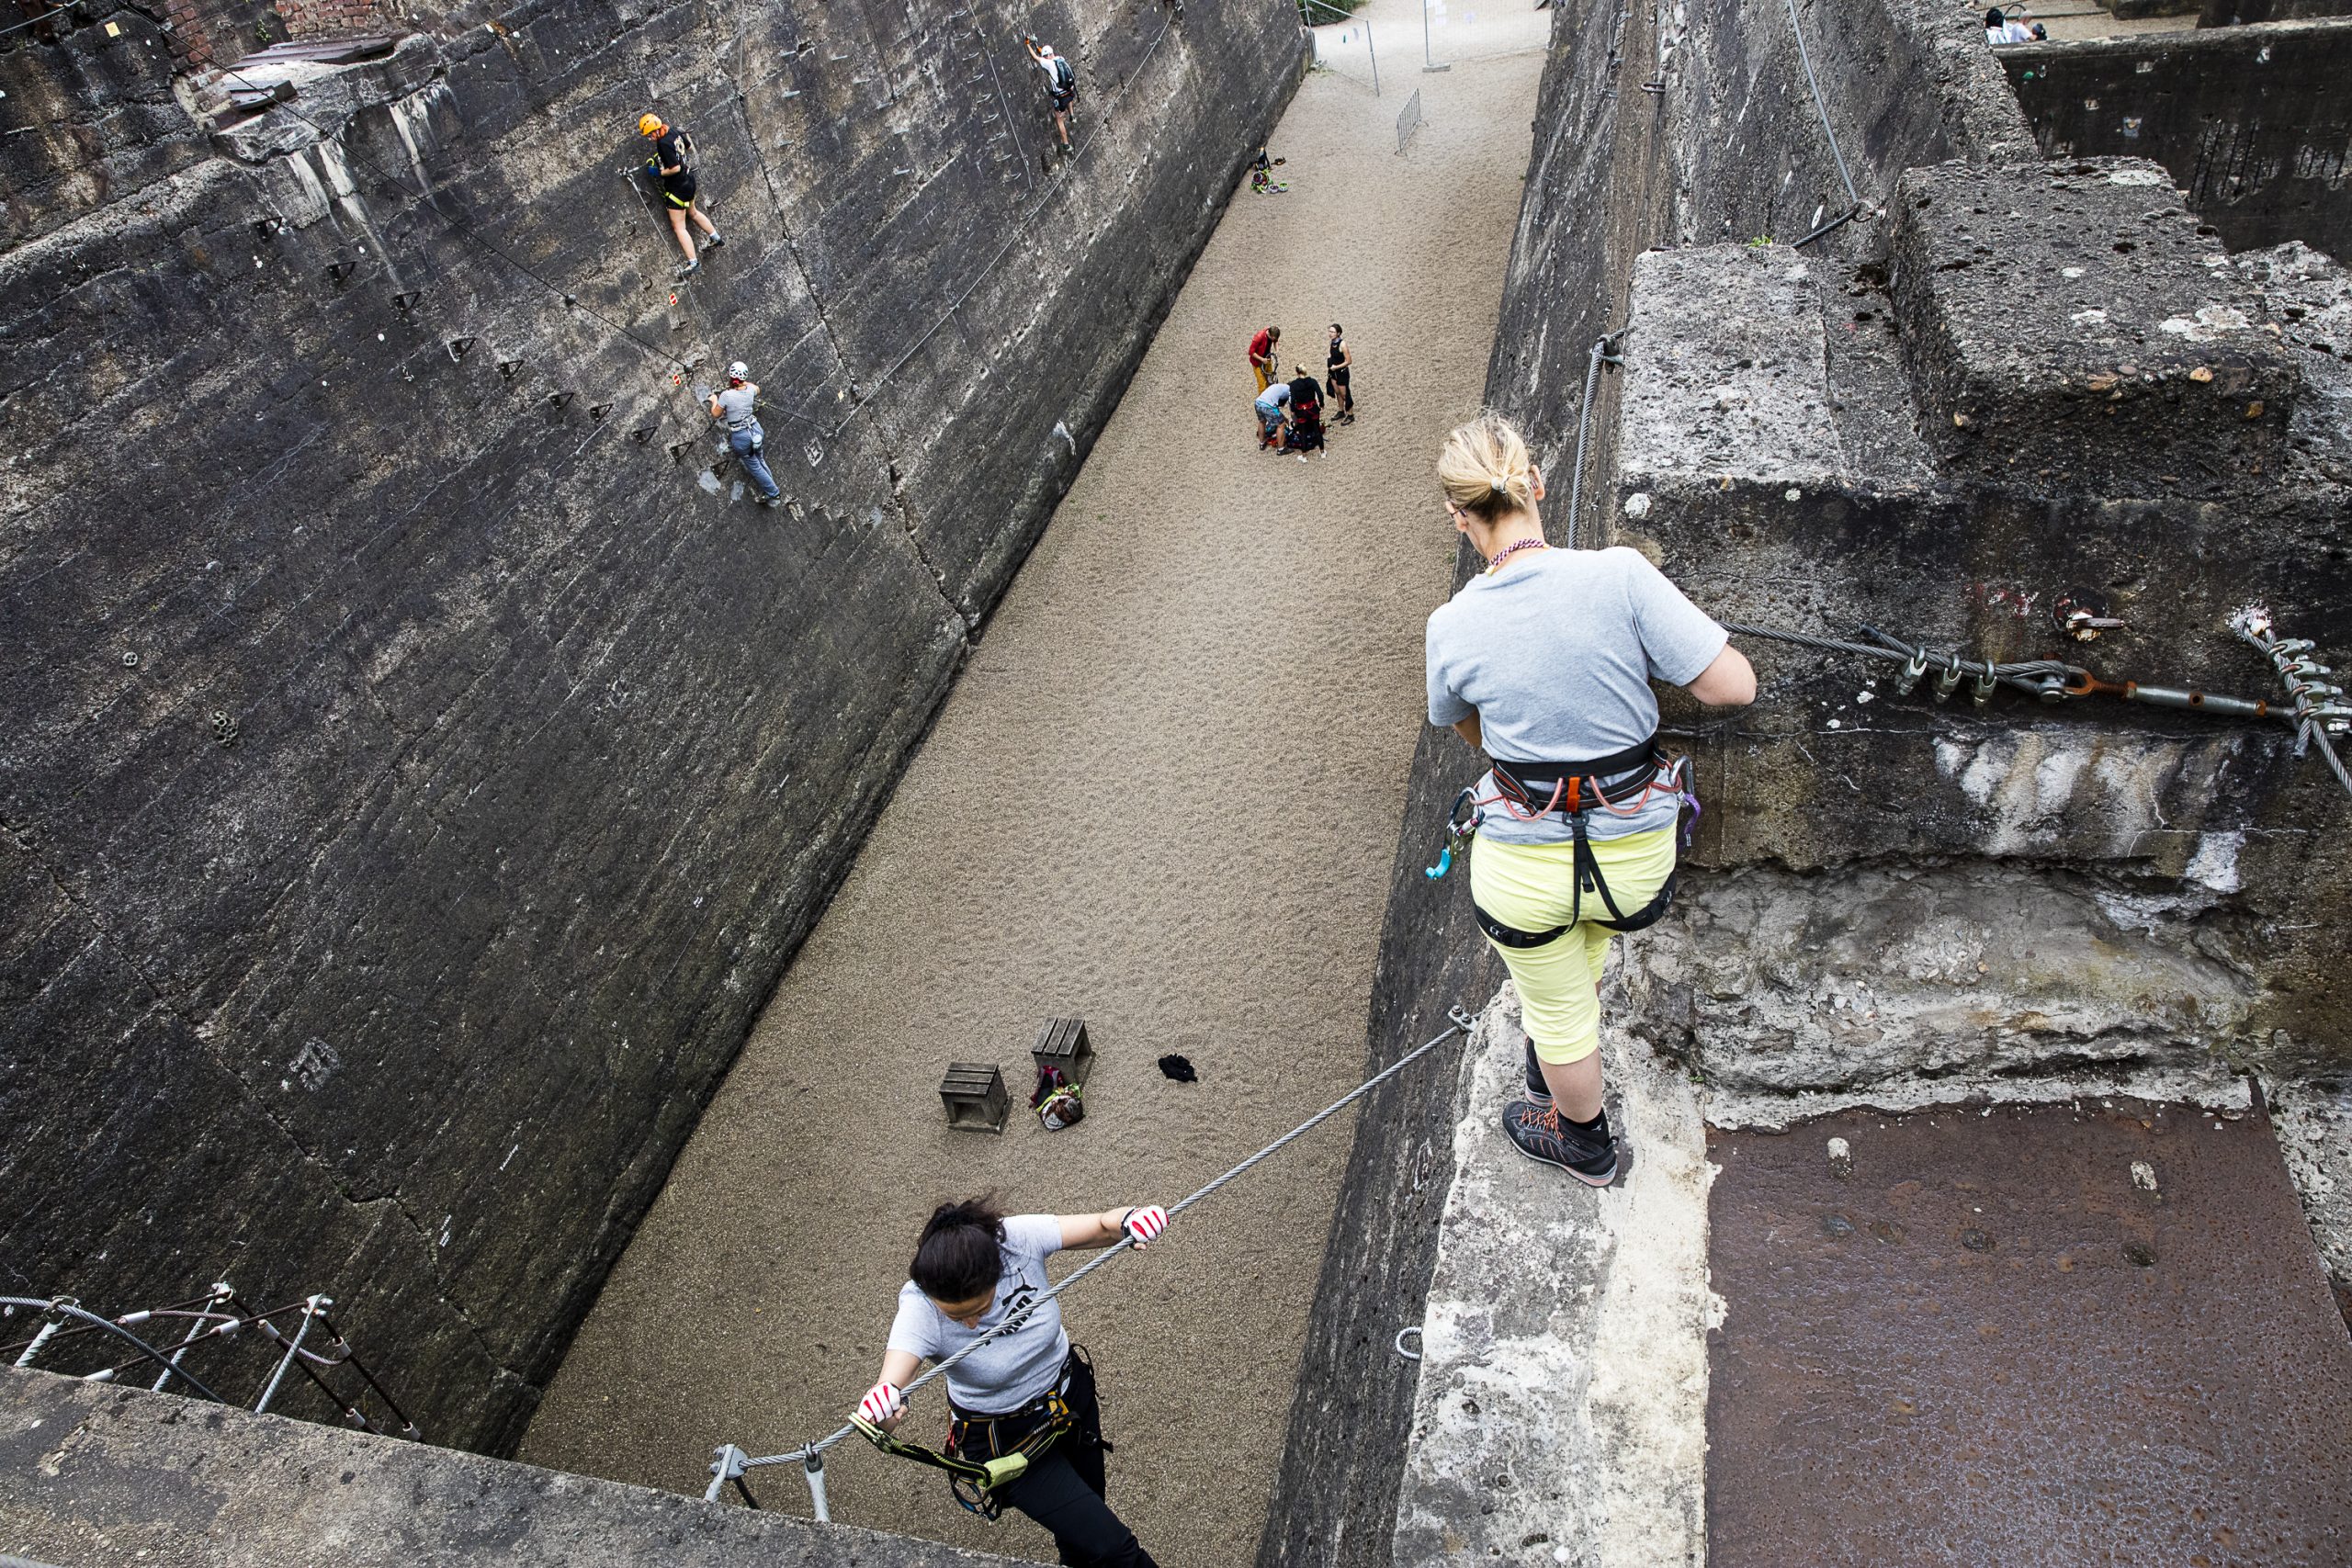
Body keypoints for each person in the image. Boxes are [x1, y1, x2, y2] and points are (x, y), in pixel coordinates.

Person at [1422, 412, 1754, 1183]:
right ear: (1536, 483)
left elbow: (1471, 731)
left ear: (1458, 516)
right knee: (1589, 944)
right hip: (1635, 857)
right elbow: (1732, 685)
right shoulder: (1621, 576)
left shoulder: (1453, 623)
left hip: (1525, 868)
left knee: (1560, 1018)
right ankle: (1560, 1059)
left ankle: (1586, 1142)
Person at [857, 1198, 1168, 1567]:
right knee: (1116, 1550)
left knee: (1084, 1528)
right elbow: (891, 1385)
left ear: (998, 1272)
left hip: (1071, 1403)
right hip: (1005, 1441)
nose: (971, 1325)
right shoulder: (920, 1306)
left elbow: (1103, 1226)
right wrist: (883, 1410)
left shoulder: (1016, 1241)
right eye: (955, 1317)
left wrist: (1133, 1219)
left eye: (978, 1310)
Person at [639, 113, 724, 277]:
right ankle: (715, 237)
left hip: (677, 187)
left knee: (679, 227)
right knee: (693, 213)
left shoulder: (662, 143)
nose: (649, 138)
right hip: (688, 181)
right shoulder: (674, 131)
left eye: (649, 135)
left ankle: (693, 262)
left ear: (655, 131)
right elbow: (688, 145)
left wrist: (659, 172)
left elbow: (675, 168)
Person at [707, 362, 782, 506]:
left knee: (754, 465)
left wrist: (714, 400)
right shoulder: (750, 390)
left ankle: (773, 493)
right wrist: (743, 383)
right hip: (756, 430)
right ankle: (769, 486)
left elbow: (716, 413)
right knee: (760, 459)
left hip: (742, 437)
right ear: (744, 378)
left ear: (730, 376)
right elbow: (757, 389)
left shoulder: (726, 395)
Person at [1025, 38, 1078, 154]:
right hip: (1070, 91)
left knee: (1059, 120)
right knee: (1069, 96)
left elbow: (1036, 58)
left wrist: (1028, 44)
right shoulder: (1060, 58)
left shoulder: (1047, 63)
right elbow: (1046, 56)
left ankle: (1065, 144)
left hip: (1061, 98)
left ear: (1045, 57)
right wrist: (1040, 49)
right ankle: (1072, 116)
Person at [1284, 366, 1326, 455]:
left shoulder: (1293, 385)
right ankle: (1322, 452)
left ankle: (1304, 455)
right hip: (1313, 408)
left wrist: (1293, 410)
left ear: (1297, 373)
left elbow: (1292, 399)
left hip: (1301, 410)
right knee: (1317, 430)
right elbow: (1320, 394)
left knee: (1303, 432)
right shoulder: (1312, 381)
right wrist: (1321, 404)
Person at [1253, 377, 1293, 450]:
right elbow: (1290, 407)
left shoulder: (1279, 387)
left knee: (1262, 421)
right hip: (1268, 406)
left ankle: (1262, 443)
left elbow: (1276, 408)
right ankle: (1281, 449)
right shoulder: (1290, 390)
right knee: (1281, 424)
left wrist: (1283, 417)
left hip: (1258, 402)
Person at [1326, 323, 1354, 423]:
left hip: (1342, 372)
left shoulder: (1342, 344)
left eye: (1333, 332)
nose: (1330, 333)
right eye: (1330, 331)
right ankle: (1341, 411)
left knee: (1345, 394)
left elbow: (1349, 361)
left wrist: (1336, 367)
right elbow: (1331, 353)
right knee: (1337, 392)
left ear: (1338, 333)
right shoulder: (1332, 342)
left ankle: (1350, 414)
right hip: (1333, 373)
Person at [1248, 325, 1282, 393]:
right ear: (1271, 336)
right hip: (1257, 364)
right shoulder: (1259, 337)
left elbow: (1275, 341)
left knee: (1270, 380)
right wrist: (1262, 359)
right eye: (1274, 338)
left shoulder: (1272, 332)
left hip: (1267, 360)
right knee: (1262, 384)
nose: (1274, 340)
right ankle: (1262, 401)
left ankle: (1271, 395)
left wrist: (1277, 350)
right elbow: (1251, 352)